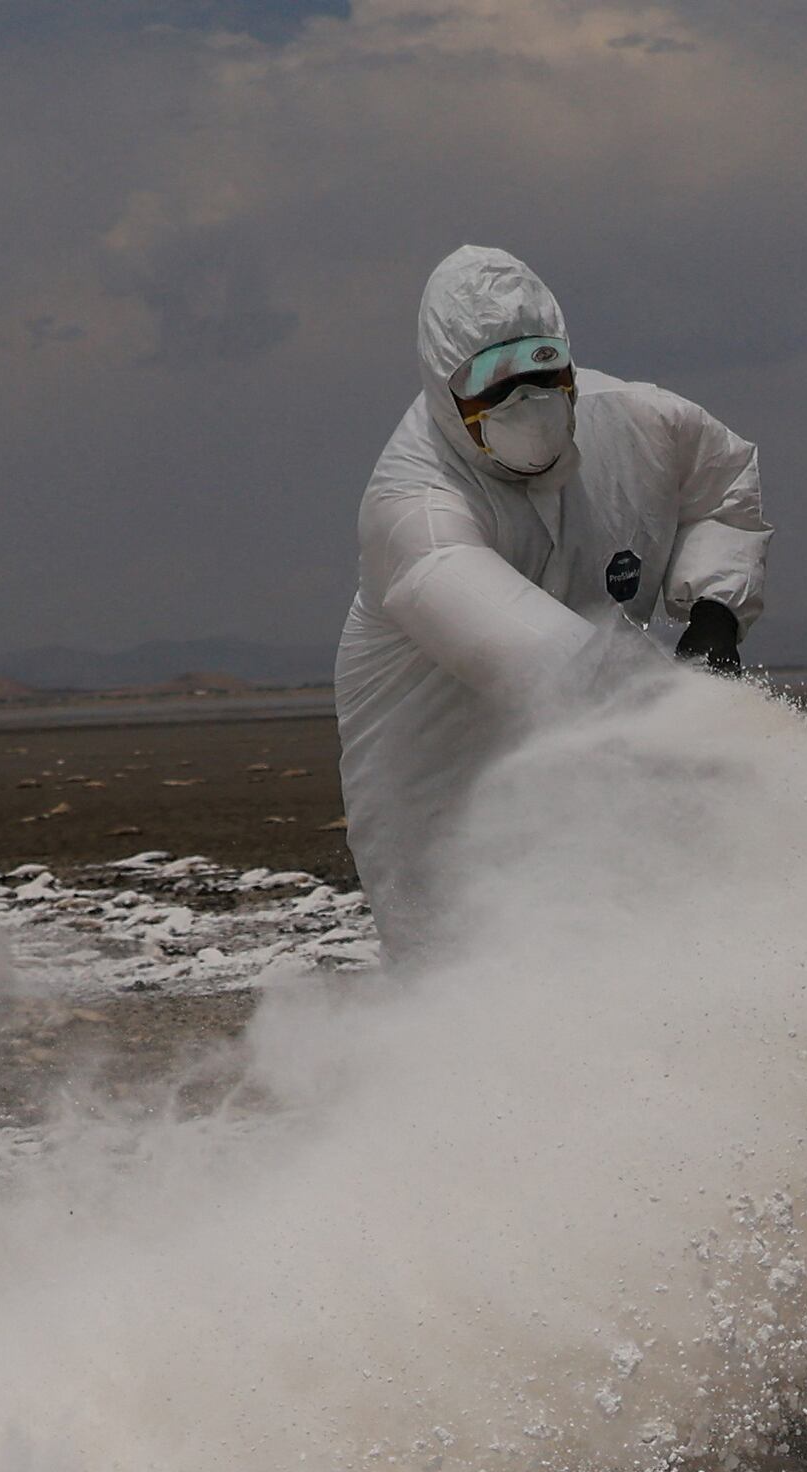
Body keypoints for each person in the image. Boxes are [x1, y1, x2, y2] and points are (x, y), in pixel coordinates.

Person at [333, 246, 769, 950]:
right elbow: (539, 655)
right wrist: (683, 712)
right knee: (469, 988)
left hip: (600, 764)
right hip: (438, 790)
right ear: (448, 391)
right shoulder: (414, 508)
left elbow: (720, 488)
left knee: (636, 948)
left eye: (541, 365)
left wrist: (715, 610)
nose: (527, 398)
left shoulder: (637, 421)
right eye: (492, 382)